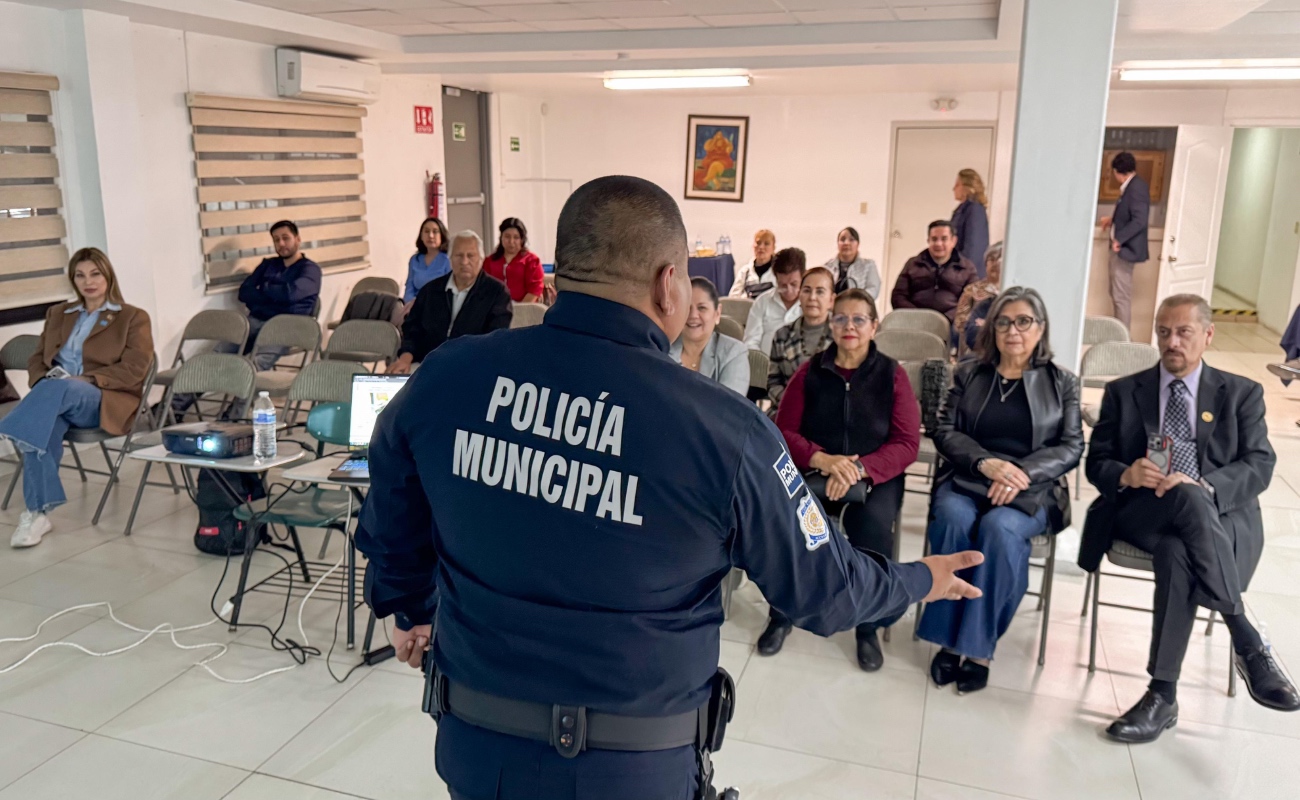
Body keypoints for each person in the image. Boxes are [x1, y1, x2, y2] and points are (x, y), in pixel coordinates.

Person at [354, 174, 983, 800]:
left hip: (477, 749)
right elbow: (826, 592)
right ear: (669, 283)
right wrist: (918, 577)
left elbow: (389, 498)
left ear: (561, 274)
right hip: (633, 769)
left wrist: (410, 606)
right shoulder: (726, 430)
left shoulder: (451, 373)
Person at [1082, 294, 1300, 744]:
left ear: (1208, 335)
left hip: (1212, 516)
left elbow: (1259, 463)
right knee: (1181, 497)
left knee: (1177, 549)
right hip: (1142, 509)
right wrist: (1125, 472)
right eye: (1163, 332)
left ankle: (1162, 695)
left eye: (1183, 332)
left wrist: (1209, 487)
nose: (1172, 342)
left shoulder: (1240, 393)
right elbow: (1096, 462)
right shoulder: (1125, 391)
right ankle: (1245, 637)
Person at [917, 287, 1082, 693]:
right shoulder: (969, 373)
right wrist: (985, 464)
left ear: (1040, 329)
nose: (1013, 330)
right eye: (1004, 321)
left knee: (999, 531)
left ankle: (977, 648)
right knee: (953, 519)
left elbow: (1072, 445)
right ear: (992, 328)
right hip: (968, 476)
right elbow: (944, 430)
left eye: (1024, 321)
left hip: (1031, 489)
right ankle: (945, 639)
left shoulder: (1063, 383)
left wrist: (1019, 473)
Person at [761, 288, 921, 670]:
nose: (849, 326)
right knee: (794, 525)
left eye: (859, 319)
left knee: (874, 529)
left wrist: (859, 469)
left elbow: (906, 442)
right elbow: (784, 431)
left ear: (874, 325)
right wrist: (826, 460)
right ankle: (782, 613)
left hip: (874, 475)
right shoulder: (810, 370)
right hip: (817, 468)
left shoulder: (892, 375)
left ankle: (867, 624)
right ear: (831, 324)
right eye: (841, 319)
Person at [0, 248, 153, 548]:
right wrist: (44, 380)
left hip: (101, 397)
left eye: (95, 273)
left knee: (63, 389)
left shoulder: (132, 317)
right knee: (40, 431)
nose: (88, 282)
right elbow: (37, 359)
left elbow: (136, 369)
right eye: (80, 275)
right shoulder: (58, 314)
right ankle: (37, 514)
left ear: (107, 275)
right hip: (55, 400)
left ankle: (10, 427)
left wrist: (87, 379)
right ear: (73, 279)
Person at [169, 220, 320, 418]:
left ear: (297, 239)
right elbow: (245, 292)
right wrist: (275, 294)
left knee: (252, 365)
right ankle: (173, 409)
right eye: (276, 240)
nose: (281, 244)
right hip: (255, 321)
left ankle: (233, 416)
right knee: (215, 358)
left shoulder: (310, 270)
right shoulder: (268, 265)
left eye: (285, 238)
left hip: (286, 327)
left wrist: (264, 289)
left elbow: (291, 295)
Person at [387, 231, 512, 374]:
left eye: (470, 256)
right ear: (450, 258)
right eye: (459, 255)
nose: (464, 262)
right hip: (428, 363)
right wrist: (405, 358)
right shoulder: (430, 291)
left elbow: (496, 339)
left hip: (473, 367)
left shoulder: (497, 292)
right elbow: (412, 329)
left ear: (481, 259)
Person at [767, 266, 836, 412]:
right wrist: (793, 404)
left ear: (831, 300)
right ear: (799, 296)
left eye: (820, 291)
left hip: (830, 414)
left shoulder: (841, 336)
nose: (812, 297)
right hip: (787, 409)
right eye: (807, 290)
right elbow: (773, 382)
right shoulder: (782, 335)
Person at [670, 277, 749, 396]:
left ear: (717, 313)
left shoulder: (734, 352)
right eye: (687, 307)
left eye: (702, 308)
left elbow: (729, 407)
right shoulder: (663, 350)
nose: (693, 315)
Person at [1099, 151, 1150, 332]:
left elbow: (1139, 220)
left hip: (1125, 250)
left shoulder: (1136, 188)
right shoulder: (1132, 186)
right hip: (1121, 248)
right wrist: (1111, 220)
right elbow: (1127, 213)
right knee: (1116, 293)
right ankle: (1119, 335)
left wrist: (1119, 239)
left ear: (1117, 172)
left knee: (1121, 296)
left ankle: (1123, 341)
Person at [890, 220, 978, 325]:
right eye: (934, 239)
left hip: (951, 324)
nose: (938, 243)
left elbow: (971, 301)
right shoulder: (913, 264)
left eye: (944, 239)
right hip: (913, 321)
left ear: (953, 241)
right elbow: (898, 296)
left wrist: (945, 319)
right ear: (928, 240)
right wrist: (916, 317)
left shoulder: (967, 268)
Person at [743, 247, 804, 355]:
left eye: (794, 284)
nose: (789, 291)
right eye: (783, 285)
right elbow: (751, 342)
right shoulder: (762, 302)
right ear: (775, 279)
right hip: (766, 367)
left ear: (803, 277)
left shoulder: (810, 303)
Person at [953, 242, 1003, 358]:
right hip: (976, 342)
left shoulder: (1013, 291)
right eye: (991, 259)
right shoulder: (972, 290)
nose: (996, 263)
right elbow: (960, 322)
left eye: (1000, 258)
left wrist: (987, 324)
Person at [482, 217, 544, 304]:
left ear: (522, 240)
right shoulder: (489, 261)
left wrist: (518, 311)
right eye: (507, 236)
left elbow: (534, 290)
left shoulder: (532, 261)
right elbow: (484, 288)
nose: (511, 241)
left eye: (516, 237)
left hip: (524, 310)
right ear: (501, 238)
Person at [950, 168, 991, 276]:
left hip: (968, 275)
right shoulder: (963, 210)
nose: (953, 188)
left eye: (957, 184)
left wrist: (961, 272)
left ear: (967, 188)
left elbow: (973, 247)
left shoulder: (975, 210)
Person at [404, 216, 451, 305]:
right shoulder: (414, 260)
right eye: (426, 231)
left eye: (435, 231)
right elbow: (409, 289)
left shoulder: (448, 260)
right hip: (415, 307)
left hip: (440, 307)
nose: (430, 235)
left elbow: (451, 291)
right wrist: (411, 304)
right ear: (421, 236)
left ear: (442, 235)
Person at [824, 227, 882, 298]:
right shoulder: (827, 266)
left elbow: (873, 291)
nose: (846, 243)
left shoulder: (869, 265)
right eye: (842, 239)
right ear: (837, 244)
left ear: (858, 244)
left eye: (851, 239)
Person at [728, 228, 777, 298]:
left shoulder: (779, 272)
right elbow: (732, 299)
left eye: (766, 244)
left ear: (773, 248)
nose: (761, 247)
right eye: (758, 243)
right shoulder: (745, 272)